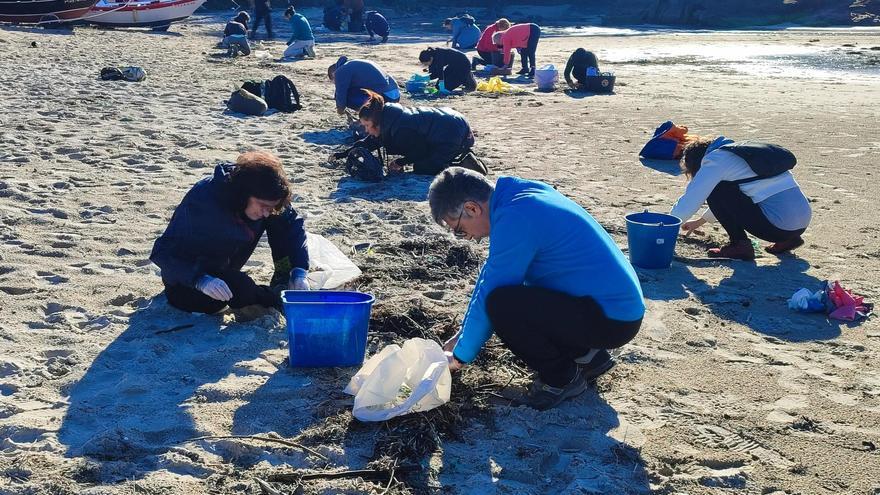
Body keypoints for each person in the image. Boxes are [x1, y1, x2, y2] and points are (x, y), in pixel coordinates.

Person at [428, 168, 645, 411]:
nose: (464, 237)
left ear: (472, 208)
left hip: (611, 320)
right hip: (614, 308)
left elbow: (494, 292)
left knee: (503, 306)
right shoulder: (517, 196)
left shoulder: (516, 218)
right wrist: (461, 336)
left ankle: (562, 379)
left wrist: (459, 357)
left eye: (458, 229)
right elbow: (490, 274)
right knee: (512, 300)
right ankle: (588, 357)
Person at [150, 151, 310, 314]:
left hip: (226, 265)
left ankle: (284, 277)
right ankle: (274, 299)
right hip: (188, 279)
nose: (266, 212)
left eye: (270, 206)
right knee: (240, 288)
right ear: (244, 194)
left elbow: (292, 224)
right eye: (263, 206)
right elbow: (162, 252)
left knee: (279, 217)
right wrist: (200, 279)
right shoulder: (203, 200)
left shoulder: (266, 197)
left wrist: (299, 271)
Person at [671, 137, 812, 260]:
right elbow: (735, 201)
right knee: (732, 188)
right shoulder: (742, 152)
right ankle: (789, 239)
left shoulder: (715, 160)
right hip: (801, 222)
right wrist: (700, 221)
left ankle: (739, 244)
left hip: (778, 227)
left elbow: (691, 199)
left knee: (717, 188)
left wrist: (665, 226)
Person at [333, 91, 478, 176]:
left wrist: (400, 162)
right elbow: (368, 143)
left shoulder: (401, 129)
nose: (366, 130)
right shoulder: (387, 119)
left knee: (423, 168)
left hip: (453, 131)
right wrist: (342, 154)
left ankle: (463, 164)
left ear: (376, 123)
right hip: (450, 121)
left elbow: (420, 151)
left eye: (367, 126)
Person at [328, 56, 399, 114]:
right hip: (395, 96)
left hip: (385, 98)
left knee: (343, 96)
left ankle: (370, 116)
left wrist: (340, 110)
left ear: (333, 75)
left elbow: (340, 94)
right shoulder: (353, 63)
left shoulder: (340, 72)